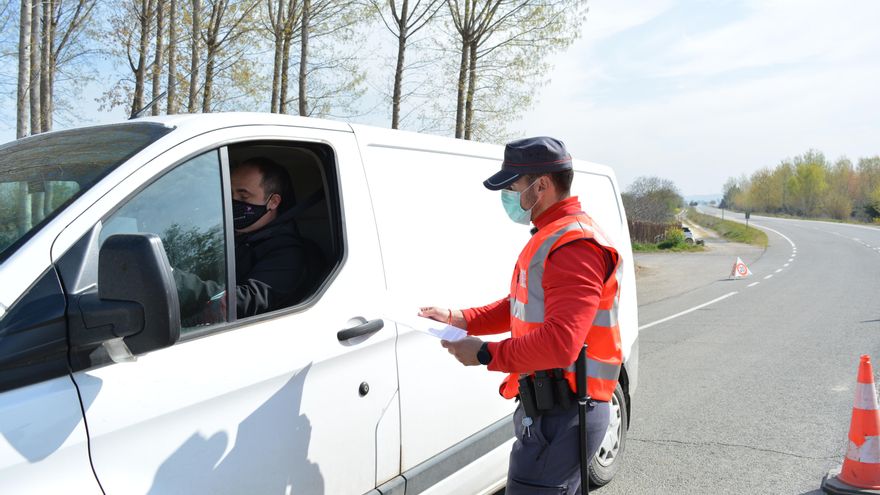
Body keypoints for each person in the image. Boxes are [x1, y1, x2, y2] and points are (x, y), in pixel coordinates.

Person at [419, 137, 622, 494]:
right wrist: (459, 318)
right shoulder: (554, 235)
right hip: (551, 411)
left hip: (563, 415)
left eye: (512, 186)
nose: (508, 196)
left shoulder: (574, 245)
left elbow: (561, 344)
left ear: (540, 185)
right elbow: (519, 304)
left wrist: (485, 353)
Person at [174, 157, 320, 321]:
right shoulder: (224, 235)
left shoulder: (288, 253)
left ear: (273, 202)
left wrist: (176, 281)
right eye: (230, 195)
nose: (233, 203)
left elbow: (241, 302)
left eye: (244, 198)